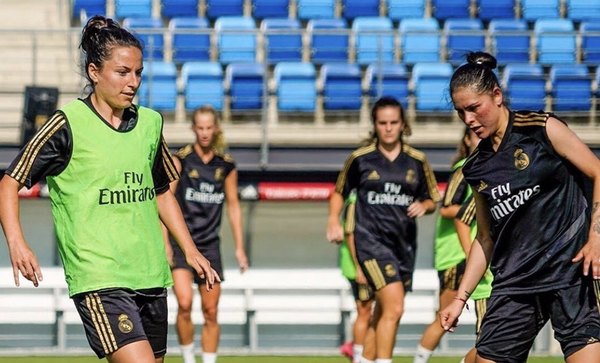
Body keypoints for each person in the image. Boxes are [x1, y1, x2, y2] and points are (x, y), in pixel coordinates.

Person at [0, 15, 217, 363]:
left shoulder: (150, 122)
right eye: (122, 72)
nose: (133, 82)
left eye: (138, 73)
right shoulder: (66, 123)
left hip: (149, 273)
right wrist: (17, 242)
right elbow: (9, 182)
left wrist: (189, 250)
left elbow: (161, 191)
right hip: (99, 278)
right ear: (94, 72)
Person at [439, 51, 600, 363]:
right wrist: (460, 298)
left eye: (474, 108)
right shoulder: (475, 167)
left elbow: (597, 171)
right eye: (461, 113)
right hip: (514, 284)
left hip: (569, 275)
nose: (469, 120)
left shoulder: (541, 128)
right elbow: (485, 238)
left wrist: (595, 238)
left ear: (497, 95)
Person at [327, 96, 440, 363]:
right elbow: (339, 192)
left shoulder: (417, 160)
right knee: (395, 305)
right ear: (375, 125)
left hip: (404, 245)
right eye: (382, 123)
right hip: (371, 242)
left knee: (383, 311)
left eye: (393, 122)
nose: (388, 128)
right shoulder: (360, 159)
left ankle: (365, 359)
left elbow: (433, 198)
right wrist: (333, 219)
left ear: (403, 124)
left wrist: (424, 205)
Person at [164, 105, 249, 363]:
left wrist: (239, 247)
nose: (204, 132)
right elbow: (164, 199)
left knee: (211, 311)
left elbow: (233, 207)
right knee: (185, 303)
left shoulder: (226, 166)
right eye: (199, 127)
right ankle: (189, 359)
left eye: (208, 127)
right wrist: (165, 242)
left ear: (216, 129)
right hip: (182, 244)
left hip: (210, 245)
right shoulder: (180, 160)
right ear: (193, 128)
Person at [413, 128, 492, 363]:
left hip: (478, 251)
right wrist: (484, 208)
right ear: (466, 140)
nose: (480, 140)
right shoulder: (465, 168)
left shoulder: (491, 168)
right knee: (446, 317)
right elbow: (447, 207)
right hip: (456, 253)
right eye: (475, 136)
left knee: (490, 323)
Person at [337, 190, 375, 363]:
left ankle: (360, 351)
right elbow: (350, 234)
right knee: (364, 311)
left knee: (369, 311)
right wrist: (359, 267)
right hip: (359, 267)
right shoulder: (355, 201)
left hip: (368, 264)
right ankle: (357, 356)